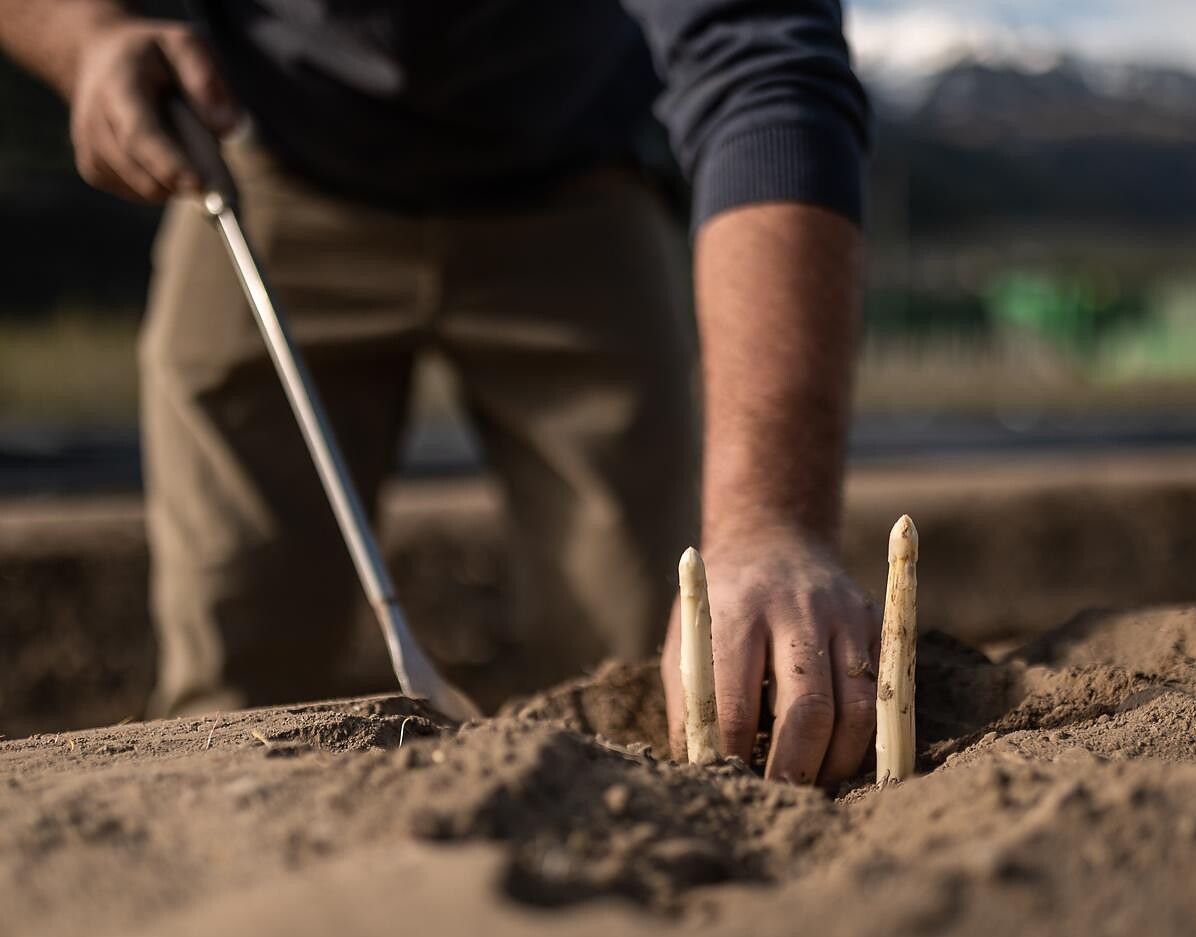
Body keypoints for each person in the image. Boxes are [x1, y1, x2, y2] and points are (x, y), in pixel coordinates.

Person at [0, 0, 879, 787]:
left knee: (666, 664)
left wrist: (771, 521)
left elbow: (764, 68)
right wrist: (88, 34)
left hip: (577, 191)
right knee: (234, 670)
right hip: (264, 171)